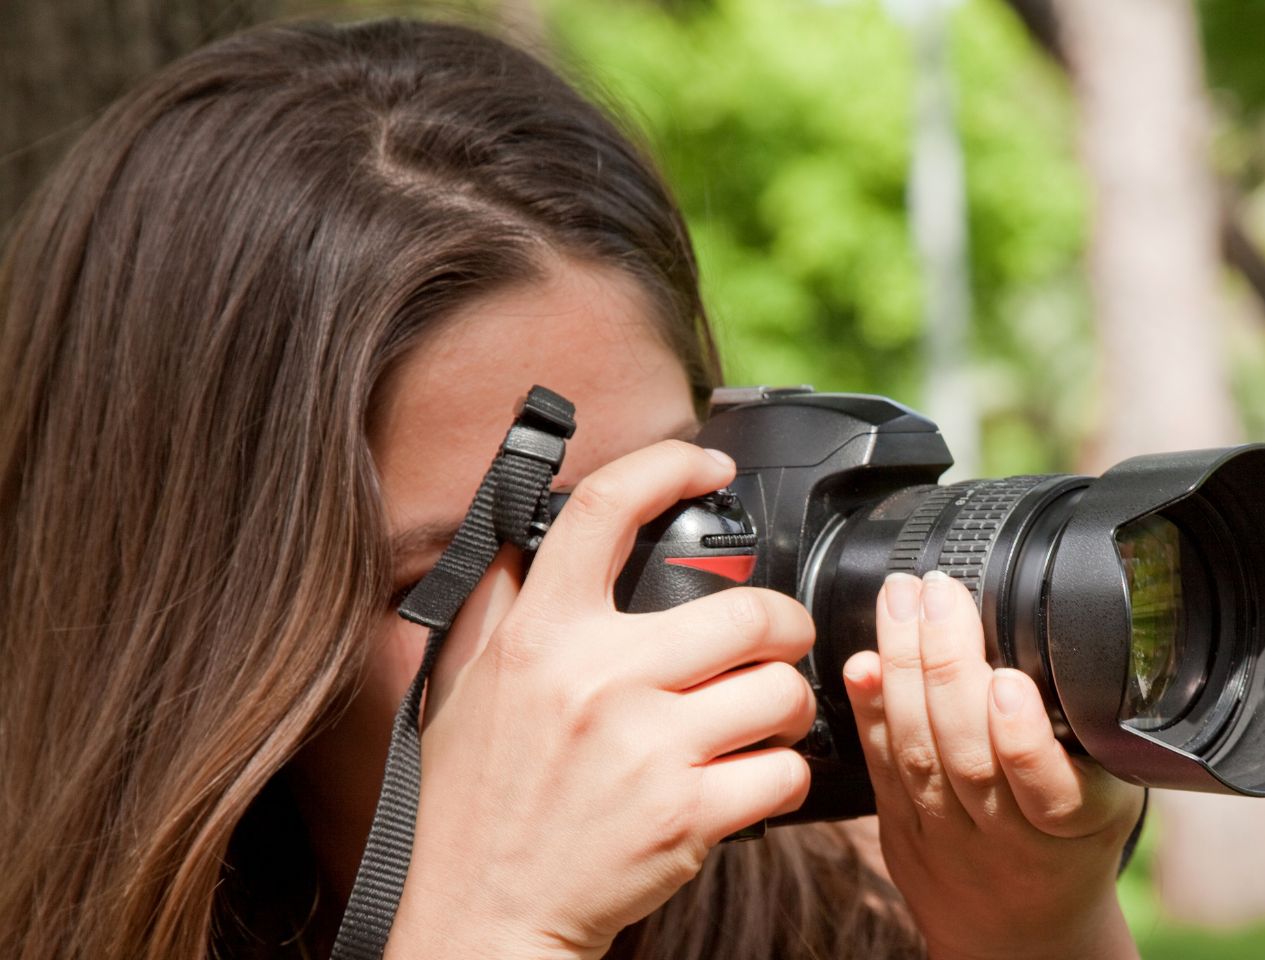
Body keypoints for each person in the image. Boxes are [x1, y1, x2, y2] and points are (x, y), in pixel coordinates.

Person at [0, 19, 1145, 960]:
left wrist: (1035, 932)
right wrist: (495, 926)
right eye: (459, 563)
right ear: (207, 620)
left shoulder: (828, 909)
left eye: (656, 514)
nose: (594, 636)